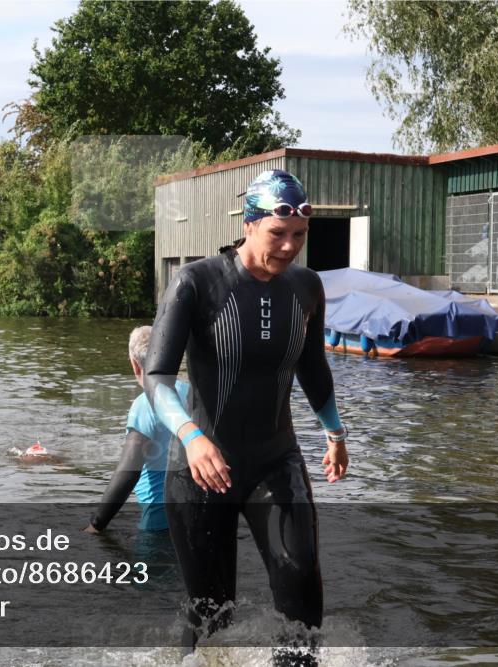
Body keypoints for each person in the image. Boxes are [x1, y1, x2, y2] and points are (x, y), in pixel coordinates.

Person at [143, 169, 349, 659]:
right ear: (250, 224)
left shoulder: (306, 287)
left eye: (299, 234)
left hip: (276, 461)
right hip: (201, 469)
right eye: (278, 233)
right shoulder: (196, 283)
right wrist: (191, 436)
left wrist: (335, 432)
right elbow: (157, 378)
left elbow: (313, 367)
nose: (290, 246)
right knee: (212, 614)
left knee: (302, 594)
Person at [85, 325, 189, 535]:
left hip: (159, 521)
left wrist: (96, 525)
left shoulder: (145, 404)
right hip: (195, 511)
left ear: (135, 365)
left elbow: (128, 471)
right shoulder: (191, 392)